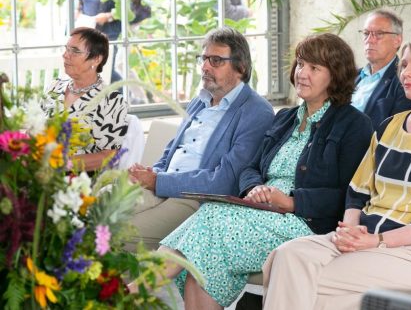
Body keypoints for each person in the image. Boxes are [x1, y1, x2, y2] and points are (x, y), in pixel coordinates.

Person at [128, 33, 373, 309]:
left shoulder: (354, 125)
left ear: (336, 75)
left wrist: (291, 202)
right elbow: (250, 168)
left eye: (314, 68)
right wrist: (254, 188)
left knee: (211, 222)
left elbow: (350, 195)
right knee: (205, 257)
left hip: (306, 223)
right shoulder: (286, 119)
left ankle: (133, 291)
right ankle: (132, 291)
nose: (302, 73)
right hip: (259, 212)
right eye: (301, 64)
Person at [262, 34, 411, 310]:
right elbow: (357, 191)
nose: (407, 73)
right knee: (285, 256)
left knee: (302, 281)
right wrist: (352, 229)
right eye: (405, 65)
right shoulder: (388, 127)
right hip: (365, 236)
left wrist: (376, 240)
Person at [127, 27, 274, 249]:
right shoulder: (201, 101)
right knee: (93, 213)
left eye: (215, 61)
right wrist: (151, 174)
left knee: (113, 234)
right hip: (162, 184)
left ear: (240, 68)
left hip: (197, 199)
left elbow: (225, 181)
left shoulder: (256, 112)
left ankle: (128, 284)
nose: (205, 66)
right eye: (204, 59)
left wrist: (158, 182)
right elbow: (172, 151)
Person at [44, 27, 128, 172]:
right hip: (40, 171)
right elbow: (35, 130)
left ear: (96, 59)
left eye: (75, 51)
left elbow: (108, 155)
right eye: (66, 49)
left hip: (81, 179)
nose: (65, 55)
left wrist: (60, 163)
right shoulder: (55, 87)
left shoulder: (111, 100)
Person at [351, 9, 411, 127]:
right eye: (366, 33)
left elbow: (395, 130)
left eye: (379, 34)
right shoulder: (351, 76)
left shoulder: (404, 80)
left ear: (397, 40)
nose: (369, 40)